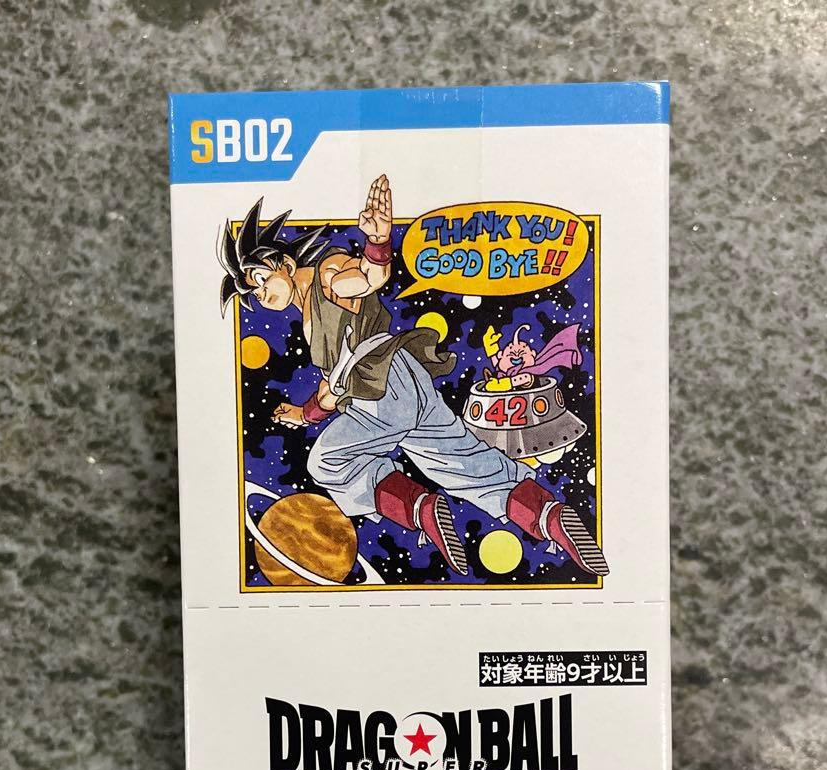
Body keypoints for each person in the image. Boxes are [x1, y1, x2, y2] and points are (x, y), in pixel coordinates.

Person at [217, 175, 609, 578]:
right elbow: (333, 390)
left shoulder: (327, 274)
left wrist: (377, 243)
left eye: (261, 279)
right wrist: (304, 414)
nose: (260, 294)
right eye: (253, 293)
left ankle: (420, 508)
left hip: (382, 390)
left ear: (284, 264)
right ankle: (549, 516)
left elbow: (367, 279)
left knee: (327, 462)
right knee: (465, 464)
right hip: (406, 382)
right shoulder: (309, 315)